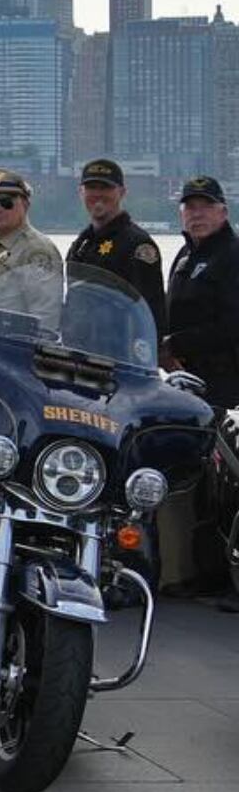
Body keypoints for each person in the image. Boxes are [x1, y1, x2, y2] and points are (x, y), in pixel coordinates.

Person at [164, 177, 239, 601]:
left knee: (227, 483)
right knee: (201, 482)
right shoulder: (186, 255)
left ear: (223, 212)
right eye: (190, 207)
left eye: (205, 206)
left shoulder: (231, 256)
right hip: (191, 383)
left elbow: (232, 326)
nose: (197, 213)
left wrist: (176, 344)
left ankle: (229, 576)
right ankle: (204, 570)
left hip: (227, 385)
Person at [66, 158, 167, 339]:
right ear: (81, 192)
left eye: (106, 188)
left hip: (120, 347)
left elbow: (150, 311)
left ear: (122, 192)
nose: (98, 194)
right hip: (81, 346)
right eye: (91, 188)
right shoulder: (82, 243)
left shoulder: (137, 244)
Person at [0, 168, 62, 325]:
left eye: (7, 203)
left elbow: (46, 317)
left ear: (25, 204)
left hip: (15, 340)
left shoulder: (36, 250)